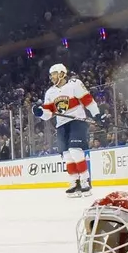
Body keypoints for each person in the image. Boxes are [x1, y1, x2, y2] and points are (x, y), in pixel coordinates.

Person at [42, 63, 102, 196]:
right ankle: (74, 182)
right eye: (51, 75)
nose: (51, 77)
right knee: (67, 155)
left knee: (75, 150)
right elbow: (47, 115)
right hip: (61, 125)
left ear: (62, 73)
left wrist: (97, 114)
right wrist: (40, 112)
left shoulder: (74, 84)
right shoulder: (50, 92)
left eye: (54, 74)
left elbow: (88, 100)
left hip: (77, 121)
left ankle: (85, 180)